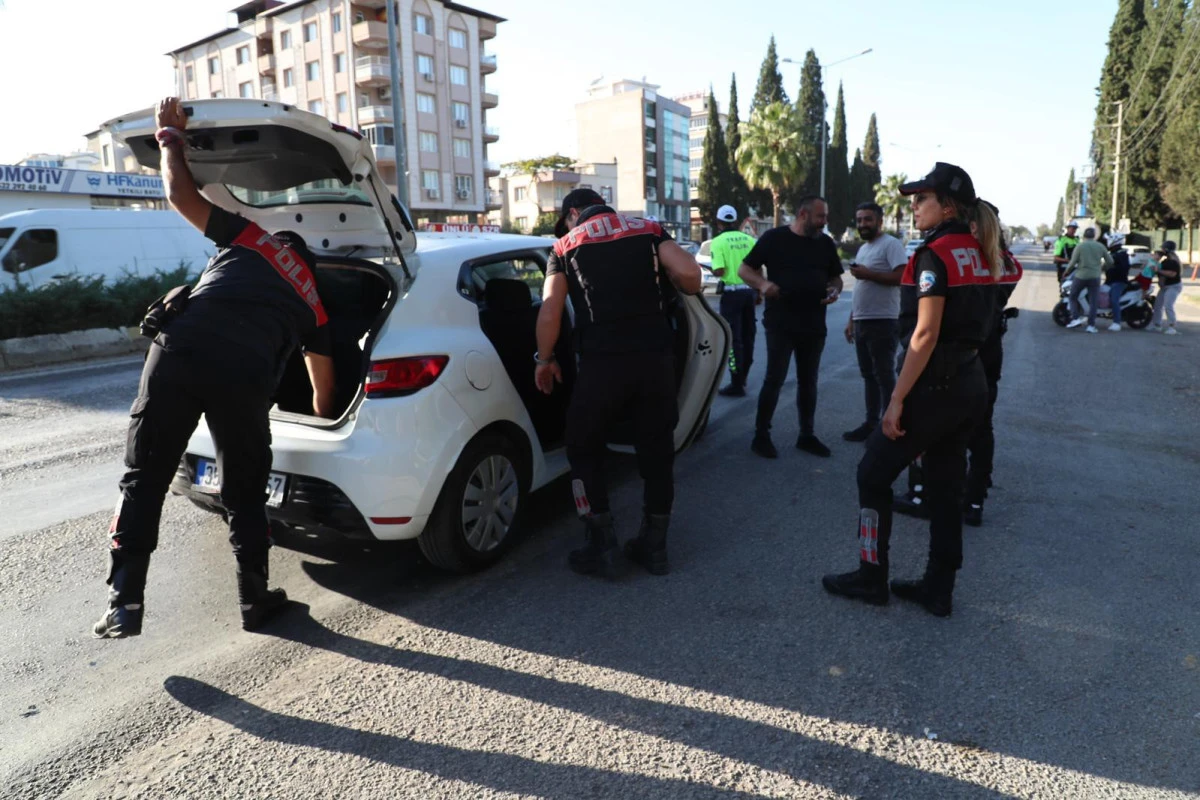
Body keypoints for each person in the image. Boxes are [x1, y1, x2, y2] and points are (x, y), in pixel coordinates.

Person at [93, 97, 337, 639]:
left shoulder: (251, 238)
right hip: (244, 372)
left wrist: (169, 138)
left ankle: (123, 603)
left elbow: (181, 193)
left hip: (179, 348)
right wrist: (321, 421)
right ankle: (255, 602)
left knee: (144, 478)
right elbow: (324, 393)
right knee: (244, 490)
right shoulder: (315, 303)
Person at [822, 162, 1001, 618]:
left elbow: (923, 335)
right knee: (945, 487)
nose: (914, 206)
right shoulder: (982, 249)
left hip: (934, 386)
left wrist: (897, 400)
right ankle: (939, 589)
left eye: (922, 198)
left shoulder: (934, 254)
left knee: (871, 475)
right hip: (970, 383)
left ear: (947, 205)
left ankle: (870, 575)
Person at [535, 189, 702, 577]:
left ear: (573, 212)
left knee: (582, 445)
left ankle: (602, 545)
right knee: (657, 450)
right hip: (655, 362)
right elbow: (692, 275)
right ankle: (654, 546)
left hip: (601, 366)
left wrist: (544, 360)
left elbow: (549, 312)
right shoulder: (648, 228)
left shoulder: (565, 245)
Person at [737, 195, 844, 459]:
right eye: (820, 217)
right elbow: (744, 269)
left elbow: (836, 278)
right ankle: (761, 435)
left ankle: (806, 435)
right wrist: (763, 285)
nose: (824, 222)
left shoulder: (826, 244)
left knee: (809, 382)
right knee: (774, 379)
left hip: (813, 324)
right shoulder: (774, 239)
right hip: (781, 324)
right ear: (803, 215)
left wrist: (834, 290)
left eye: (825, 216)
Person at [842, 202, 906, 442]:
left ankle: (887, 428)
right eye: (859, 220)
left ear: (880, 221)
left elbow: (901, 276)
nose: (862, 224)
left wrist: (868, 274)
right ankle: (871, 424)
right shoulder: (863, 249)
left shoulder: (891, 244)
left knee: (884, 376)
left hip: (883, 322)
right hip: (862, 322)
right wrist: (851, 320)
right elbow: (861, 286)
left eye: (867, 219)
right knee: (868, 375)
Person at [709, 204, 758, 397]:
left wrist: (712, 268)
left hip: (731, 295)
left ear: (719, 222)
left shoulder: (718, 241)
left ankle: (736, 383)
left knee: (733, 339)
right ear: (735, 221)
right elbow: (758, 268)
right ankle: (743, 377)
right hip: (749, 293)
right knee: (748, 336)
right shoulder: (749, 239)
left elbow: (719, 271)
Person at [1064, 228, 1113, 333]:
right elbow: (1110, 261)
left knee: (1073, 296)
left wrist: (1066, 272)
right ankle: (1091, 325)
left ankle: (1076, 318)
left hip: (1081, 276)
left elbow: (1072, 262)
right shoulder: (1100, 246)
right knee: (1093, 301)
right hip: (1095, 277)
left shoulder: (1080, 246)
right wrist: (1103, 269)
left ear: (1084, 236)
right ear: (1094, 236)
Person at [1148, 241, 1183, 334]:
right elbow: (1161, 274)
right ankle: (1157, 325)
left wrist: (1158, 270)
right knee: (1158, 305)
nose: (1162, 250)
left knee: (1168, 305)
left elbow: (1172, 274)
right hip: (1165, 286)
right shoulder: (1165, 261)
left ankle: (1172, 327)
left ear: (1167, 249)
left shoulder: (1174, 262)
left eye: (1163, 248)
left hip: (1173, 286)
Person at [1102, 233, 1131, 332]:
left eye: (1109, 240)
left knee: (1114, 299)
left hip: (1119, 282)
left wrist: (1112, 267)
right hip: (1109, 281)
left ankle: (1117, 322)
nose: (1107, 242)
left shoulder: (1122, 254)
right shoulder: (1113, 253)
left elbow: (1124, 268)